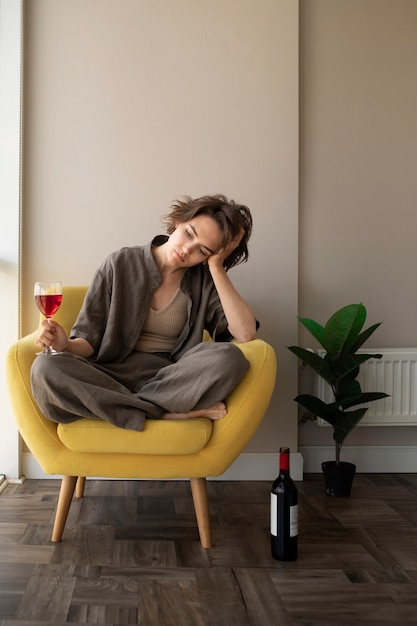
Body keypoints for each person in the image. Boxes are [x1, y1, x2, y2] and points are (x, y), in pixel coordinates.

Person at [30, 194, 257, 432]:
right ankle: (164, 413)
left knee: (230, 358)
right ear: (179, 221)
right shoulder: (120, 263)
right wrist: (65, 346)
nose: (187, 249)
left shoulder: (204, 281)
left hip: (169, 378)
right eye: (189, 234)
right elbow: (88, 342)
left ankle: (126, 409)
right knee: (45, 368)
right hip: (108, 374)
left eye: (202, 250)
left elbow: (245, 333)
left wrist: (216, 267)